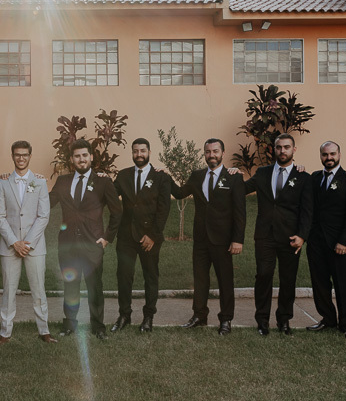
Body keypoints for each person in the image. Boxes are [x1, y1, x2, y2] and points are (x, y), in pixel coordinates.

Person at [50, 139, 122, 340]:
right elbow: (47, 202)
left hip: (92, 245)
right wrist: (32, 183)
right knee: (70, 286)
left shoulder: (103, 182)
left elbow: (117, 212)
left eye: (84, 155)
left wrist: (107, 238)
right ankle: (69, 325)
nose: (81, 159)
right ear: (71, 159)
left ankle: (98, 326)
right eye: (77, 156)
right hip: (68, 245)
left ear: (91, 157)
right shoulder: (63, 181)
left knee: (95, 287)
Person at [173, 138, 245, 335]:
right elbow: (179, 193)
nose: (211, 155)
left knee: (225, 281)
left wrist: (238, 239)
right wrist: (163, 176)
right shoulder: (197, 176)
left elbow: (240, 211)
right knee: (200, 279)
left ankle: (226, 320)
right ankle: (199, 316)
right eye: (208, 152)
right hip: (201, 239)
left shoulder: (233, 177)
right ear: (204, 154)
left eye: (215, 151)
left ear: (222, 152)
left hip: (223, 240)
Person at [243, 133, 313, 335]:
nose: (282, 151)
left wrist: (302, 236)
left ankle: (284, 320)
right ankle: (262, 320)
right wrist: (229, 174)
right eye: (279, 147)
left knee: (287, 280)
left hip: (291, 237)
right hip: (264, 235)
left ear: (294, 150)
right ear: (273, 149)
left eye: (286, 147)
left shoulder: (303, 177)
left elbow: (307, 211)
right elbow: (242, 188)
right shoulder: (263, 172)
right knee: (263, 276)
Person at [0, 141, 56, 345]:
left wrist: (26, 243)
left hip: (34, 246)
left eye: (25, 155)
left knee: (38, 290)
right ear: (12, 156)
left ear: (30, 156)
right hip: (10, 246)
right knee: (8, 291)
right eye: (17, 155)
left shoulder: (40, 182)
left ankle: (44, 330)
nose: (21, 158)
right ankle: (5, 332)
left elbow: (44, 216)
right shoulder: (3, 182)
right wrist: (14, 243)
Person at [110, 137, 171, 333]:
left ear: (149, 152)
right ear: (132, 153)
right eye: (136, 151)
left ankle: (148, 317)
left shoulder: (161, 177)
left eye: (142, 151)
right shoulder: (124, 175)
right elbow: (110, 193)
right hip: (126, 236)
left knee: (150, 276)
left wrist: (153, 235)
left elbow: (164, 210)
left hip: (150, 237)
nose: (139, 155)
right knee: (124, 277)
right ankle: (124, 315)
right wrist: (100, 178)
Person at [306, 141, 346, 339]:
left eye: (332, 154)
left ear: (339, 154)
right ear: (320, 156)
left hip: (339, 243)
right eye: (324, 154)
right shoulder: (314, 178)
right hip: (316, 242)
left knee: (343, 283)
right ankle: (328, 318)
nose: (328, 158)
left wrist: (344, 241)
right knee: (319, 283)